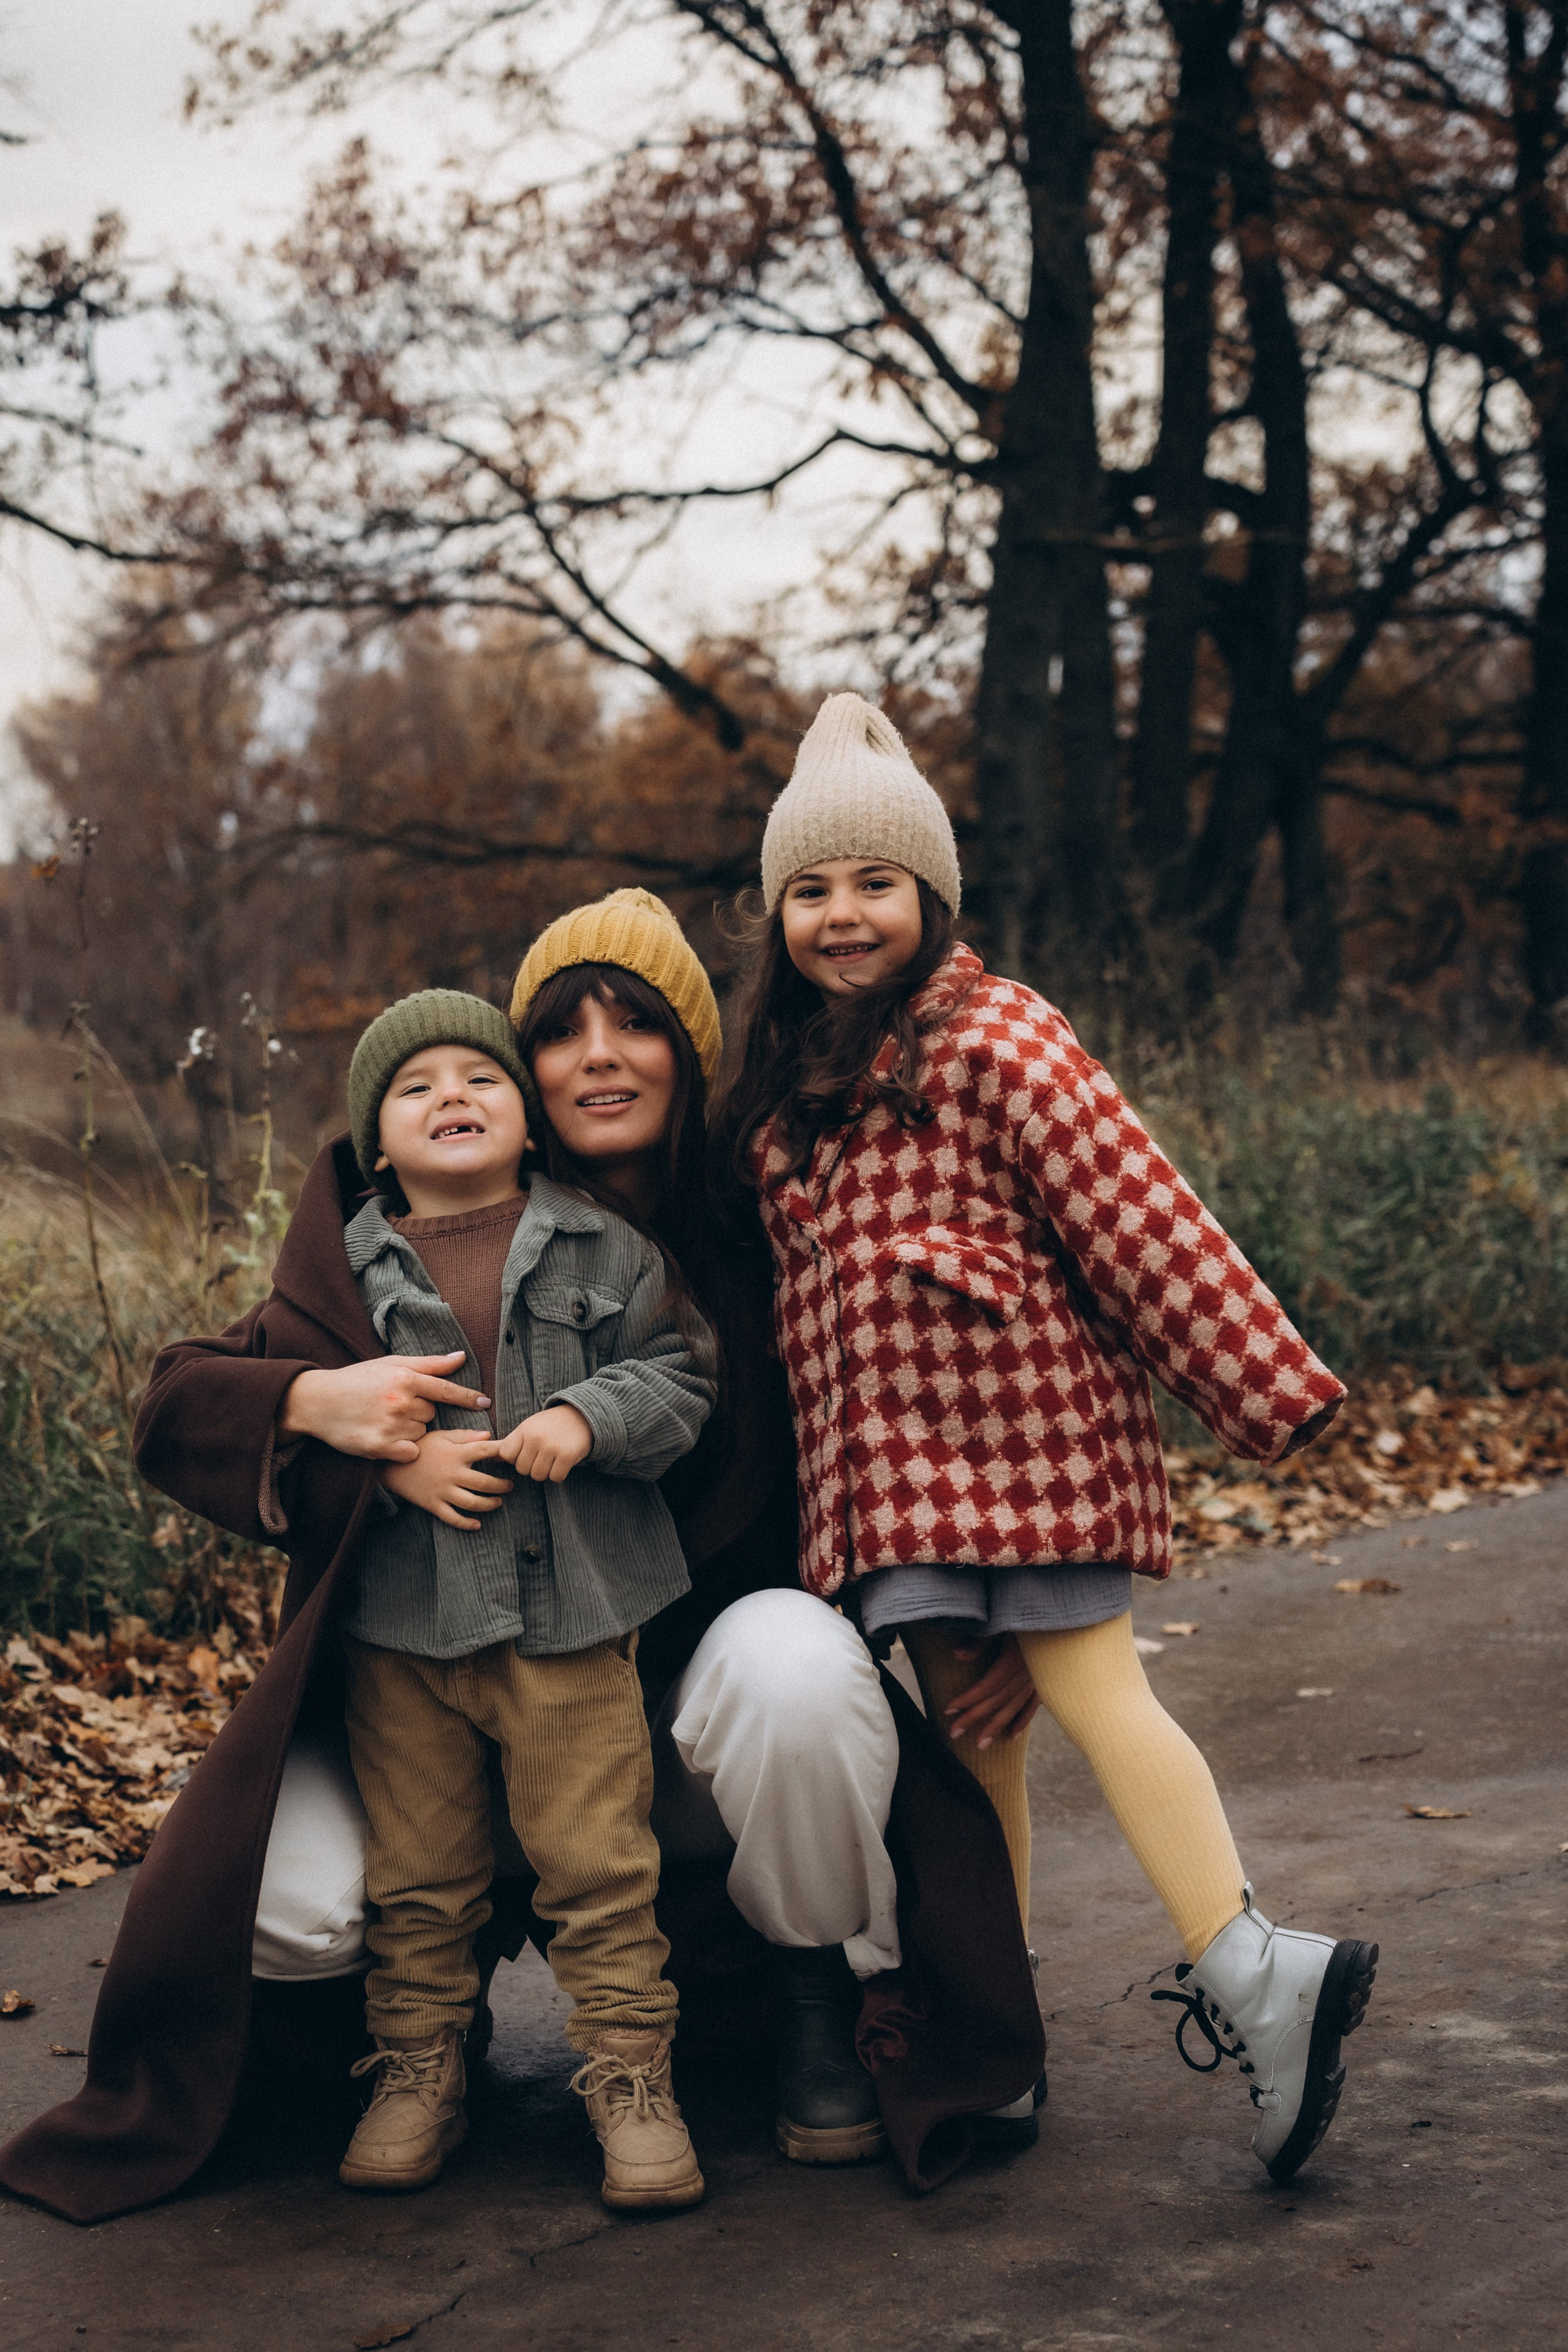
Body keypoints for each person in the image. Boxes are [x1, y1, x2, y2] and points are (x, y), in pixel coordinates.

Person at [0, 898, 1040, 2228]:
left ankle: (807, 1992)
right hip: (424, 1684)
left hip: (656, 1710)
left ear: (690, 1048)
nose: (601, 1055)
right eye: (561, 1032)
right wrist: (331, 1416)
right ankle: (419, 2046)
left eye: (637, 1025)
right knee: (280, 1895)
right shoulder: (361, 1251)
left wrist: (979, 1605)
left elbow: (919, 1396)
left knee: (796, 1676)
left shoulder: (749, 1220)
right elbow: (177, 1398)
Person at [718, 692, 1380, 2187]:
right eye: (810, 890)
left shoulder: (999, 1036)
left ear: (932, 897)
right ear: (774, 915)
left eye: (874, 884)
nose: (841, 915)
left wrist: (1267, 1388)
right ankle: (989, 2029)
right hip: (897, 1507)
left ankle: (1249, 1960)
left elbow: (1137, 1218)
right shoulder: (783, 1104)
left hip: (1032, 1458)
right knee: (971, 1758)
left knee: (1099, 1699)